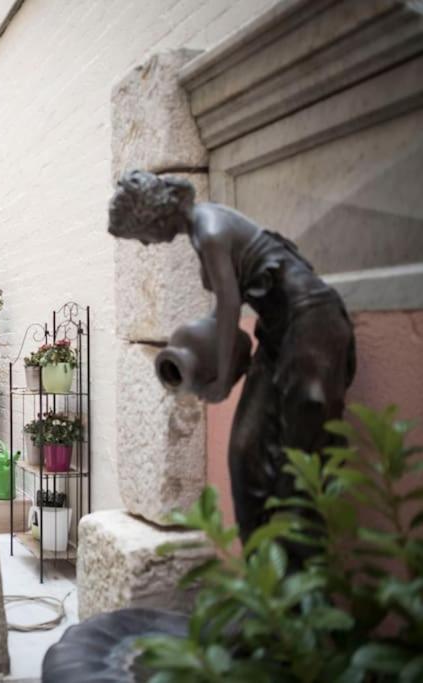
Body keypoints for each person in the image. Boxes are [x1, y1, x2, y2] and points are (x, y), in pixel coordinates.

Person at [108, 169, 356, 543]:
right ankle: (260, 576)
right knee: (244, 452)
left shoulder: (208, 229)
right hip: (277, 335)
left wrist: (222, 382)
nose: (143, 244)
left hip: (311, 326)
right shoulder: (200, 232)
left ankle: (300, 584)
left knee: (301, 468)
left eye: (137, 234)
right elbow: (223, 317)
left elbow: (228, 309)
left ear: (150, 216)